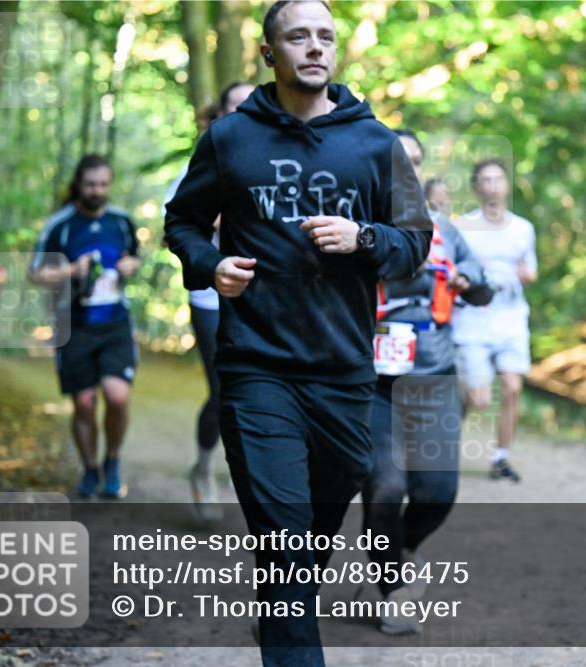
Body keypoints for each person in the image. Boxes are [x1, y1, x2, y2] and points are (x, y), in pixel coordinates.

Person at [164, 1, 431, 664]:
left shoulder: (375, 144)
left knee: (312, 530)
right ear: (269, 53)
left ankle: (284, 604)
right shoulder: (231, 139)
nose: (314, 47)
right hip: (257, 367)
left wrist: (362, 236)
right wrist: (210, 264)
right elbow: (183, 222)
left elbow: (415, 242)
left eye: (324, 36)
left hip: (343, 371)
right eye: (297, 36)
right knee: (284, 541)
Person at [362, 129, 493, 635]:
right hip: (372, 386)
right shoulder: (356, 225)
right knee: (385, 487)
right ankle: (393, 589)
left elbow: (483, 287)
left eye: (416, 161)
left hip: (434, 378)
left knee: (437, 492)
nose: (408, 171)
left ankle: (398, 548)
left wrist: (469, 281)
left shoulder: (444, 230)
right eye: (398, 161)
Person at [163, 80, 255, 520]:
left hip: (265, 297)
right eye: (235, 105)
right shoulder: (200, 165)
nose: (245, 112)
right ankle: (203, 469)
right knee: (223, 387)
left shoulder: (277, 159)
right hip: (211, 297)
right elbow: (176, 230)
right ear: (218, 114)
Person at [30, 154, 141, 500]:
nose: (98, 190)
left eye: (104, 184)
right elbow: (35, 273)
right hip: (74, 325)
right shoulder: (60, 225)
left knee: (117, 397)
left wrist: (130, 266)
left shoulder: (121, 221)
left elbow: (135, 256)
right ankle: (90, 469)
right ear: (79, 184)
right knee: (84, 402)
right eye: (91, 184)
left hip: (115, 322)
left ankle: (112, 460)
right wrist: (69, 270)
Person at [451, 158, 538, 482]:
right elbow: (451, 271)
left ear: (507, 185)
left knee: (513, 388)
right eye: (485, 180)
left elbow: (531, 271)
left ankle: (501, 458)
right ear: (476, 187)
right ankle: (447, 436)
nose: (492, 186)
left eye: (498, 179)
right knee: (479, 399)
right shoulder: (463, 228)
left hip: (511, 319)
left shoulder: (523, 229)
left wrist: (523, 274)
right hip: (473, 321)